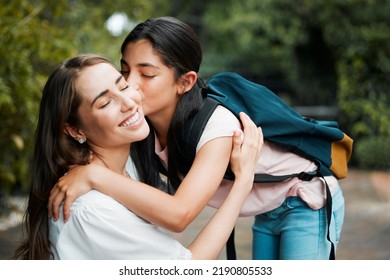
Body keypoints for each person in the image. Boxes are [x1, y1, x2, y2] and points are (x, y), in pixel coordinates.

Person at [48, 17, 345, 260]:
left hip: (305, 200)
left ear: (185, 82)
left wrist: (93, 176)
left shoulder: (216, 128)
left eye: (146, 74)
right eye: (125, 70)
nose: (130, 86)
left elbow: (178, 214)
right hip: (266, 208)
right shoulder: (141, 126)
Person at [12, 54, 263, 260]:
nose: (129, 102)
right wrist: (243, 182)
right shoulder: (92, 210)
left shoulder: (119, 163)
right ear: (75, 130)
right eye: (105, 103)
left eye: (122, 86)